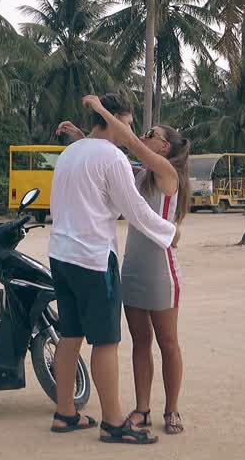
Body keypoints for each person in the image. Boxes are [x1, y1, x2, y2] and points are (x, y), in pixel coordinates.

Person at [46, 93, 176, 445]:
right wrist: (169, 232)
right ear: (114, 119)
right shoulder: (111, 157)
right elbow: (134, 209)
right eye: (129, 123)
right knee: (106, 340)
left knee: (70, 336)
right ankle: (114, 423)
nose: (129, 131)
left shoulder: (70, 154)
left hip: (60, 254)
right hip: (92, 258)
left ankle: (65, 414)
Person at [71, 97, 190, 435]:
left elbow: (130, 143)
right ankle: (142, 409)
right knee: (139, 341)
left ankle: (172, 410)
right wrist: (81, 136)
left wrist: (101, 110)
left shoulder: (167, 173)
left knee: (168, 343)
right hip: (133, 268)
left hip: (161, 272)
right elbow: (108, 160)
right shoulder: (139, 175)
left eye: (151, 133)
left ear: (163, 146)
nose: (143, 134)